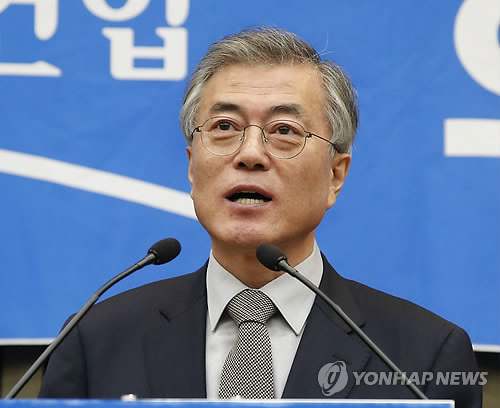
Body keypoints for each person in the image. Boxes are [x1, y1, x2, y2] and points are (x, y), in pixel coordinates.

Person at [38, 27, 481, 406]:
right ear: (192, 168)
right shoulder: (96, 340)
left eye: (284, 131)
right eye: (224, 127)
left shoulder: (423, 355)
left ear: (335, 175)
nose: (250, 154)